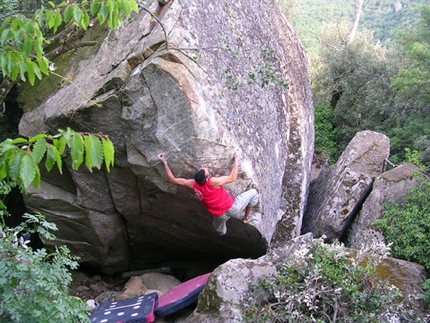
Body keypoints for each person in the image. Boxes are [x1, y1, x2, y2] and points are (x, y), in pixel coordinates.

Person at [158, 152, 259, 236]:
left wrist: (165, 162)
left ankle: (223, 233)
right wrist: (237, 159)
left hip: (220, 216)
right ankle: (246, 218)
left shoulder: (193, 184)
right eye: (204, 170)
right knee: (254, 193)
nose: (205, 168)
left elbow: (173, 180)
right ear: (206, 177)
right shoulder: (212, 182)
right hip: (233, 206)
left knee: (220, 230)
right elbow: (232, 178)